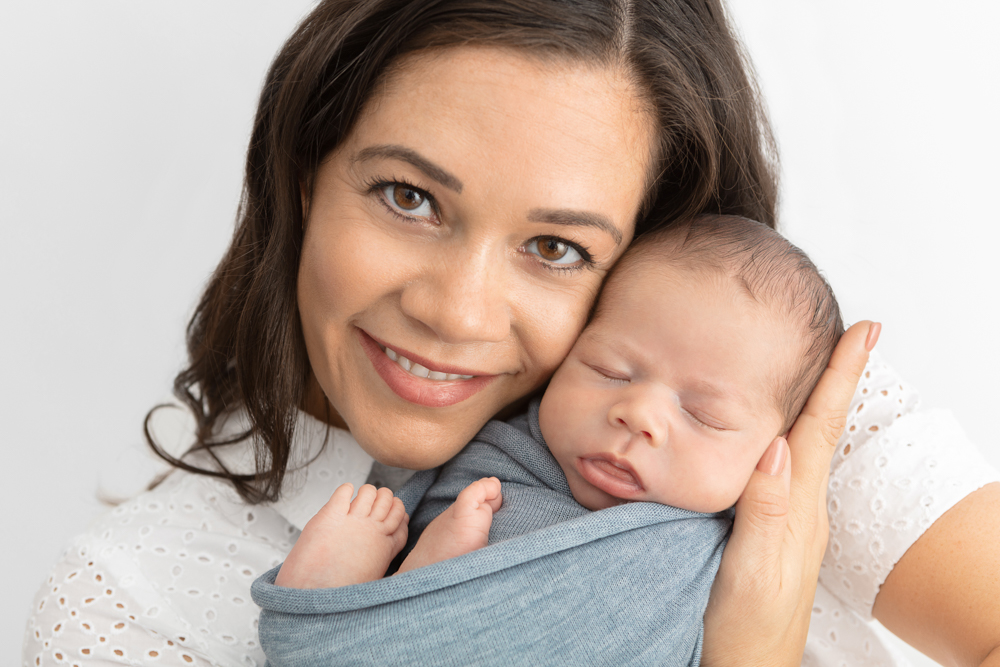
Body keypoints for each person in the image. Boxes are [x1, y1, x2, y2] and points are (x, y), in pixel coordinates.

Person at [20, 1, 1000, 666]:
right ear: (305, 174)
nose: (456, 310)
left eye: (555, 246)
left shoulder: (761, 407)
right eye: (408, 197)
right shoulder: (132, 603)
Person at [255, 216, 843, 666]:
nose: (638, 414)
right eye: (610, 370)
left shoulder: (733, 558)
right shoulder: (495, 448)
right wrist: (415, 571)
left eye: (704, 415)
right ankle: (332, 596)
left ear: (773, 453)